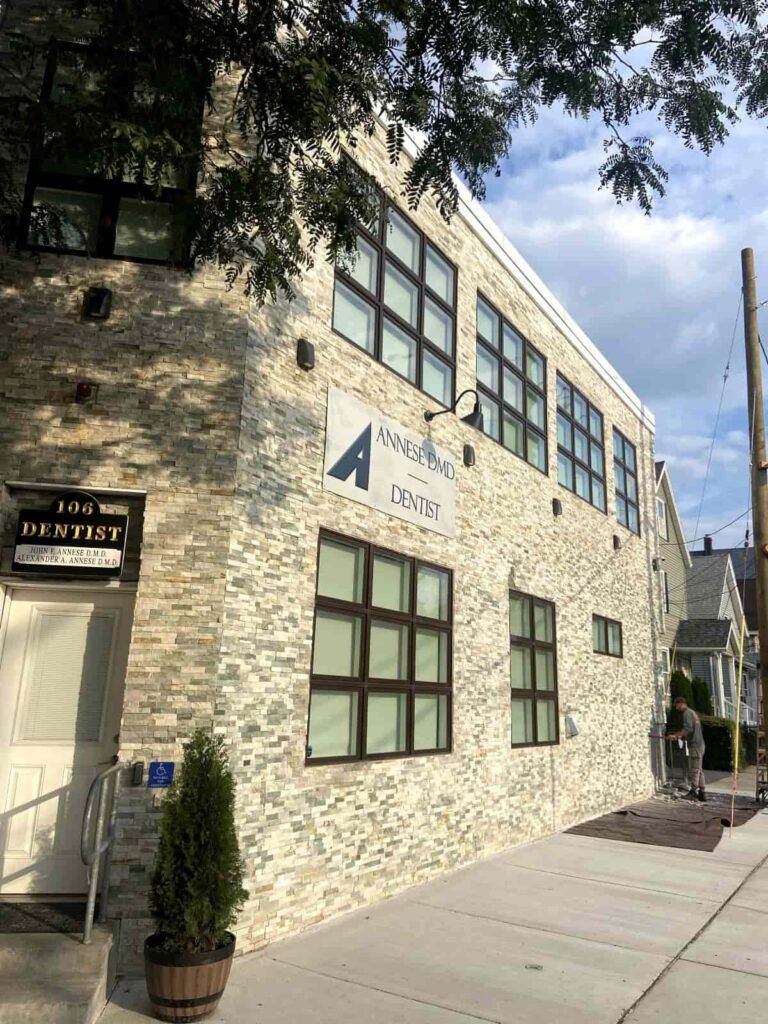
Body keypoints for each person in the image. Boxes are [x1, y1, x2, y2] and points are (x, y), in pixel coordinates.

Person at [666, 696, 706, 801]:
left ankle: (693, 792)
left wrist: (676, 735)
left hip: (695, 746)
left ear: (681, 704)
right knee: (699, 770)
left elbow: (687, 729)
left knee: (694, 770)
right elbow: (692, 730)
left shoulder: (687, 713)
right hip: (700, 744)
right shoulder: (693, 713)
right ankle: (702, 793)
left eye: (676, 706)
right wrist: (684, 737)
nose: (676, 708)